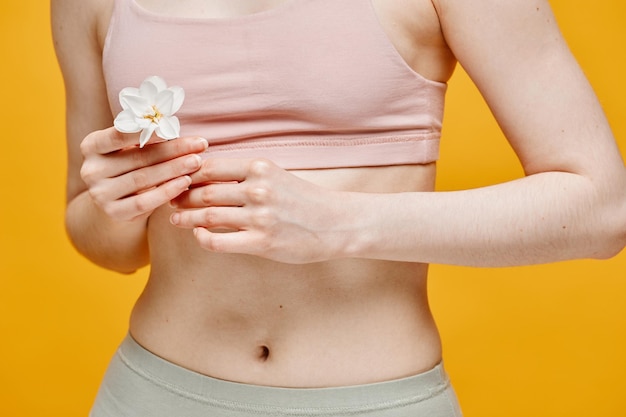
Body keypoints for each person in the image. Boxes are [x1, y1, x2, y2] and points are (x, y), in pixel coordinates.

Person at [51, 0, 626, 416]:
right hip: (156, 394)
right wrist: (117, 202)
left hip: (372, 402)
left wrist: (344, 224)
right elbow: (100, 239)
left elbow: (603, 208)